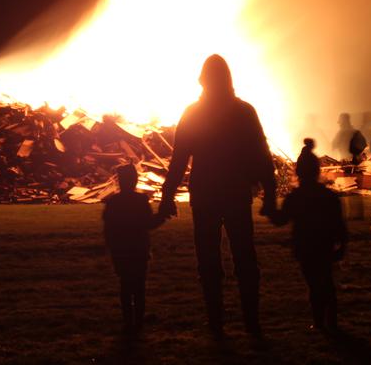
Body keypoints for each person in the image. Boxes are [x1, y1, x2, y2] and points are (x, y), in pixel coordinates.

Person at [159, 55, 277, 339]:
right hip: (236, 193)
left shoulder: (193, 113)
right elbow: (261, 155)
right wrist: (270, 193)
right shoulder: (244, 111)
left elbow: (179, 160)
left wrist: (167, 197)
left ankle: (216, 323)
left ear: (203, 80)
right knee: (245, 259)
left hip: (205, 195)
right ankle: (251, 323)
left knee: (208, 261)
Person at [272, 138, 347, 332]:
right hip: (325, 245)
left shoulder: (295, 197)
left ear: (298, 172)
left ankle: (320, 323)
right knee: (327, 282)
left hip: (305, 247)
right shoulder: (329, 197)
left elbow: (280, 220)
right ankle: (331, 322)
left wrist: (270, 207)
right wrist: (342, 247)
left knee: (314, 284)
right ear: (317, 171)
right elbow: (340, 225)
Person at [103, 164, 166, 336]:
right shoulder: (140, 201)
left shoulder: (113, 203)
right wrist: (162, 215)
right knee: (139, 287)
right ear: (135, 180)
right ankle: (138, 321)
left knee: (125, 285)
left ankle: (128, 321)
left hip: (121, 250)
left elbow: (108, 230)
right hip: (138, 249)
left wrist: (112, 249)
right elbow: (149, 224)